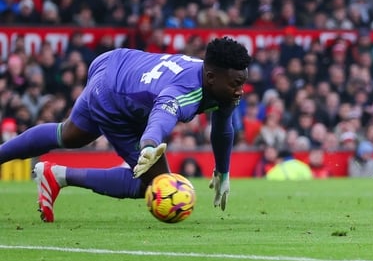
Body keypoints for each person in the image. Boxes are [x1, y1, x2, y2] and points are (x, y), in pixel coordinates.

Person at [0, 37, 251, 222]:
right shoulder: (184, 92)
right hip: (114, 98)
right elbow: (162, 114)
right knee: (157, 185)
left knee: (69, 135)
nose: (240, 90)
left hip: (115, 62)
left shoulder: (218, 81)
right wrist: (150, 145)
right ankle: (59, 175)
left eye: (242, 82)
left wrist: (223, 171)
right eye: (236, 84)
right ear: (210, 78)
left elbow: (222, 128)